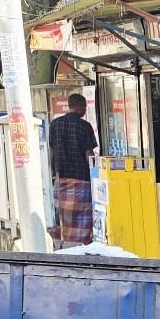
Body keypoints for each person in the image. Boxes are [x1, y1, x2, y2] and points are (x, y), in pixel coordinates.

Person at [48, 93, 97, 247]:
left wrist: (53, 173)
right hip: (82, 179)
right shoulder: (85, 126)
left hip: (62, 178)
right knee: (84, 215)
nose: (85, 110)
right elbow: (89, 154)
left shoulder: (54, 124)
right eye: (84, 107)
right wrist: (95, 173)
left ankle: (65, 240)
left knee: (64, 214)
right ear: (78, 106)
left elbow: (52, 152)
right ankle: (84, 242)